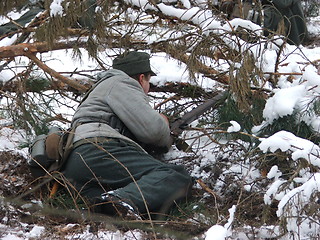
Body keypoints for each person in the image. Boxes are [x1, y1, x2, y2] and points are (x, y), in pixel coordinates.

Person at [62, 51, 192, 219]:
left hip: (77, 162)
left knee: (130, 196)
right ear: (141, 78)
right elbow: (155, 132)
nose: (148, 88)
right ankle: (118, 202)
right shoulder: (121, 82)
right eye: (148, 81)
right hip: (98, 150)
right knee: (176, 177)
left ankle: (106, 210)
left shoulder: (102, 89)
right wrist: (165, 124)